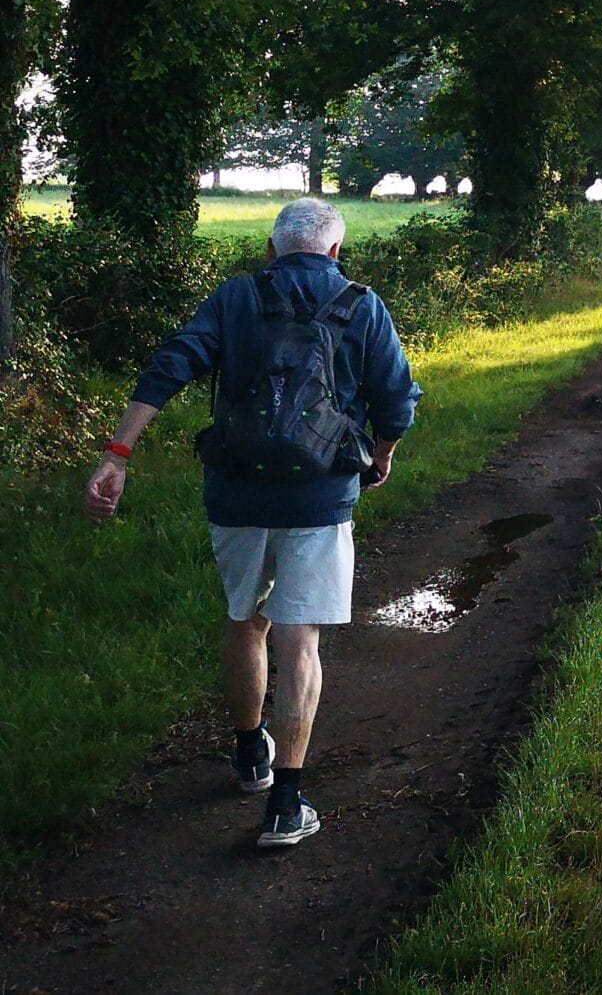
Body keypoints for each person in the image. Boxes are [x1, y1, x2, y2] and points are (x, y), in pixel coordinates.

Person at [83, 197, 421, 848]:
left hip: (236, 494)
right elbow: (397, 399)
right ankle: (286, 806)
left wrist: (117, 455)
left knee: (246, 619)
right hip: (319, 498)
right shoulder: (361, 303)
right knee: (299, 638)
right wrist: (380, 458)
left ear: (271, 250)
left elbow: (171, 363)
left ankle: (248, 755)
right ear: (335, 252)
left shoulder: (236, 297)